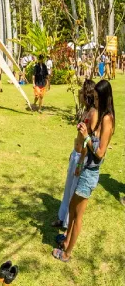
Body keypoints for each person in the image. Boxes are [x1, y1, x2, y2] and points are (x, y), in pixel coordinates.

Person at [54, 80, 115, 262]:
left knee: (77, 215)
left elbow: (100, 153)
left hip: (90, 173)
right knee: (72, 209)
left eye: (97, 98)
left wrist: (87, 137)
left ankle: (67, 253)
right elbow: (89, 146)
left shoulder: (107, 119)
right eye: (93, 97)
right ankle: (66, 241)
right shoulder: (100, 115)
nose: (94, 101)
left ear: (105, 98)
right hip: (85, 168)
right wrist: (80, 161)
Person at [53, 80, 97, 230]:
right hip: (75, 154)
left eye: (82, 91)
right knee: (67, 188)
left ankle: (67, 224)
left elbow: (89, 140)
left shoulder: (94, 114)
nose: (79, 93)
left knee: (73, 191)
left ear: (87, 94)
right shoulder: (85, 110)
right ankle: (61, 218)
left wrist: (80, 162)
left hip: (82, 157)